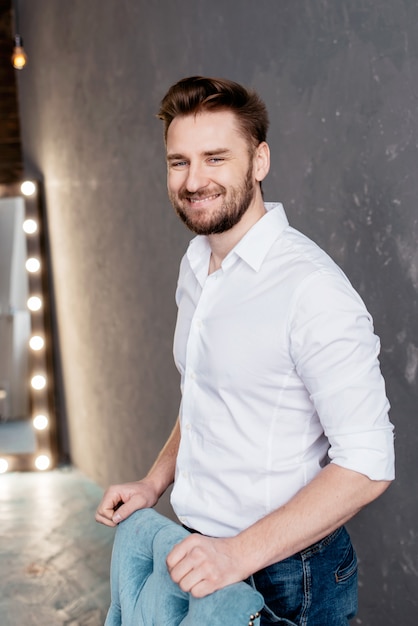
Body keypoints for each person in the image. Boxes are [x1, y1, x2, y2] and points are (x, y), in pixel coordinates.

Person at [96, 76, 395, 625]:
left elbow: (369, 464)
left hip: (289, 578)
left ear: (259, 161)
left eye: (215, 158)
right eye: (178, 162)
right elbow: (204, 396)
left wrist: (236, 555)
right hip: (198, 555)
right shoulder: (194, 268)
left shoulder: (311, 288)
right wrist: (154, 481)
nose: (194, 180)